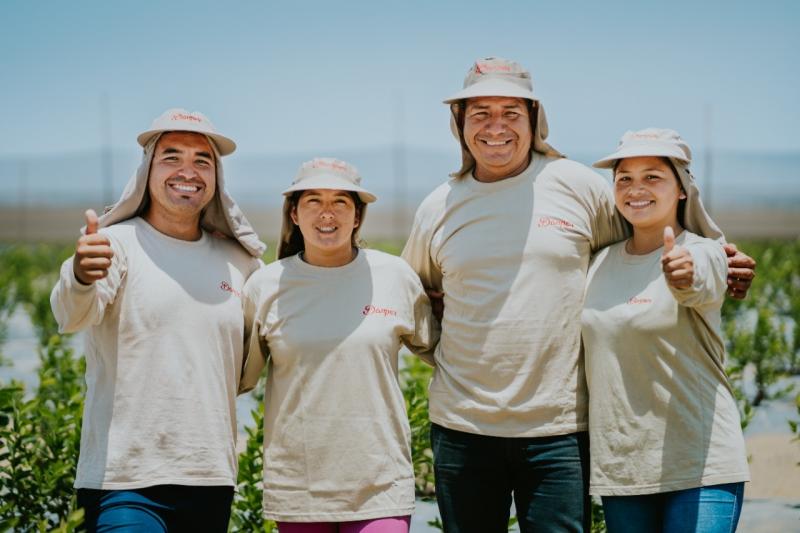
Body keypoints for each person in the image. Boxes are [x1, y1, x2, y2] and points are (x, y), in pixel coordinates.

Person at [401, 57, 756, 532]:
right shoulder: (437, 207)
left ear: (534, 119)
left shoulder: (579, 185)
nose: (495, 127)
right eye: (480, 113)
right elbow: (414, 299)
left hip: (561, 430)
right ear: (459, 123)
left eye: (511, 112)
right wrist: (448, 349)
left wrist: (713, 265)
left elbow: (645, 242)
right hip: (462, 426)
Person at [50, 108, 266, 532]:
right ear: (147, 169)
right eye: (172, 157)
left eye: (202, 160)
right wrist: (80, 276)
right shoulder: (114, 244)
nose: (188, 171)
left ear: (216, 177)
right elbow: (72, 314)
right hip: (124, 480)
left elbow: (250, 362)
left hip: (211, 478)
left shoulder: (240, 262)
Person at [239, 158, 439, 533]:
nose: (326, 213)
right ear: (294, 214)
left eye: (340, 202)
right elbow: (237, 378)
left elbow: (443, 352)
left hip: (381, 482)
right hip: (300, 486)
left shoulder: (395, 276)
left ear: (358, 215)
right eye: (313, 200)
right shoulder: (265, 286)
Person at [582, 128, 749, 532]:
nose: (636, 188)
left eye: (652, 176)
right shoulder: (597, 263)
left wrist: (683, 274)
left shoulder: (703, 252)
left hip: (700, 464)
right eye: (624, 178)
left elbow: (699, 280)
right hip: (624, 469)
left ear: (682, 189)